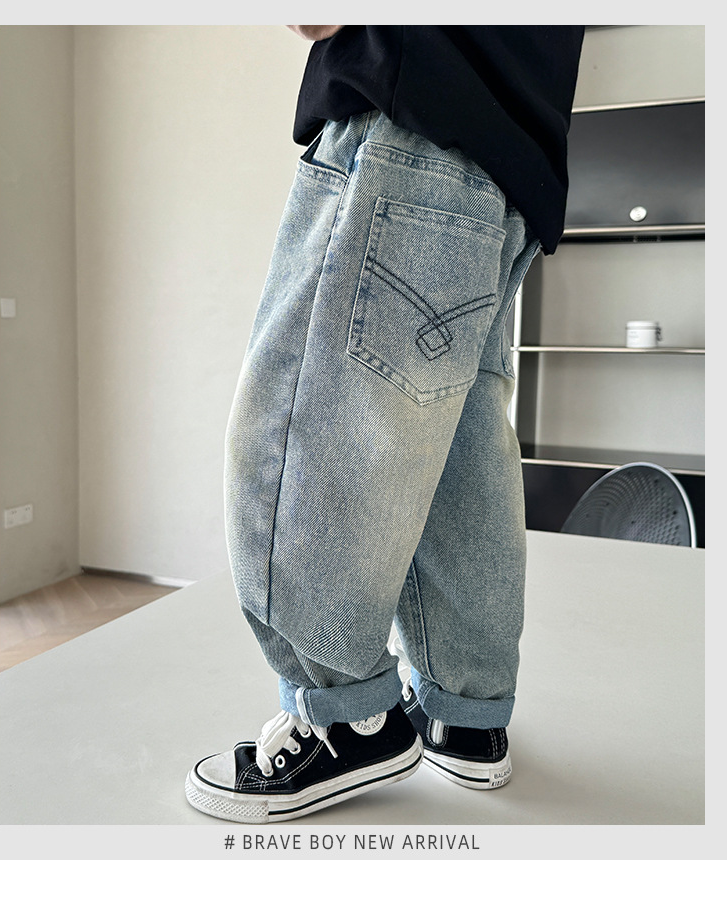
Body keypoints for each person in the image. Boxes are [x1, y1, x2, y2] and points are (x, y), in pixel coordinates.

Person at [185, 25, 585, 824]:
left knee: (299, 428)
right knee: (456, 449)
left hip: (407, 123)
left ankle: (349, 719)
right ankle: (466, 717)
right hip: (510, 169)